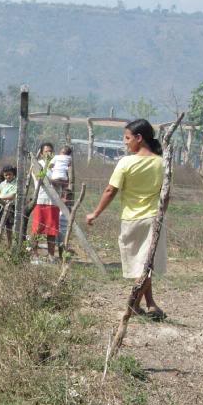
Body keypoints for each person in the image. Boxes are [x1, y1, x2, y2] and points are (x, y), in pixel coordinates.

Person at [86, 119, 167, 320]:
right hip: (154, 219)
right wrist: (161, 215)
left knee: (141, 265)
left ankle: (135, 304)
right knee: (146, 264)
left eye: (127, 138)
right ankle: (150, 304)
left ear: (139, 138)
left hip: (132, 220)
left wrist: (95, 213)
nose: (125, 142)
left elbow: (110, 190)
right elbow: (166, 193)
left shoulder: (126, 163)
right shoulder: (162, 163)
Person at [30, 142, 60, 262]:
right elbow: (40, 178)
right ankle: (34, 254)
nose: (49, 153)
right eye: (46, 151)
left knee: (52, 230)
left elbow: (63, 180)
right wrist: (47, 165)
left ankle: (51, 255)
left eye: (51, 151)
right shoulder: (37, 165)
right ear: (41, 153)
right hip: (40, 200)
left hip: (54, 201)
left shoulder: (57, 166)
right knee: (37, 229)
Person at [50, 145, 74, 258]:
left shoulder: (56, 157)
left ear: (61, 152)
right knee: (64, 187)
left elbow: (50, 165)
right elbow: (70, 167)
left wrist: (52, 168)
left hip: (55, 177)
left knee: (55, 188)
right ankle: (64, 196)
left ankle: (61, 254)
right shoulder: (69, 158)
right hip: (64, 178)